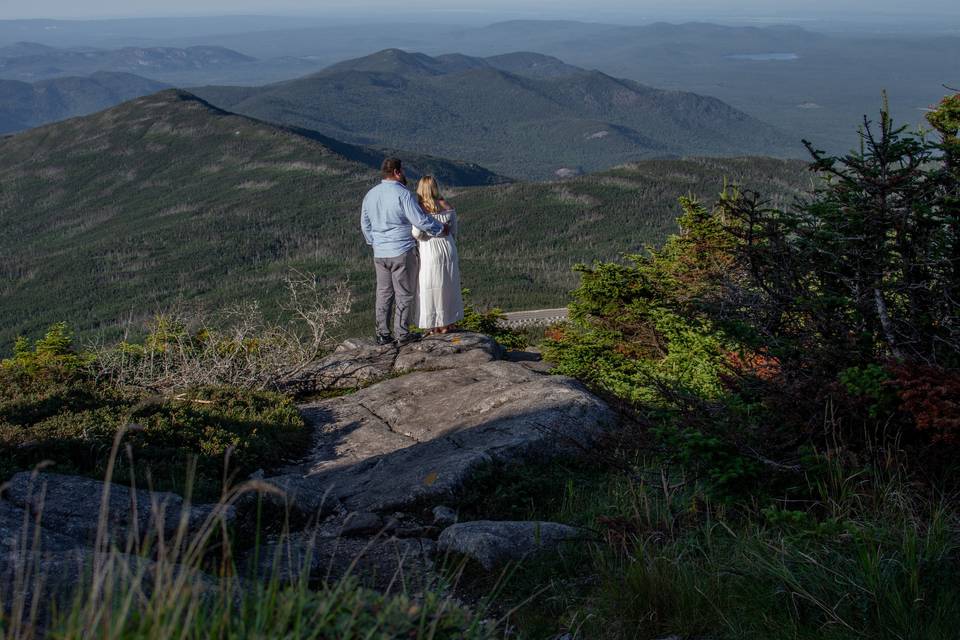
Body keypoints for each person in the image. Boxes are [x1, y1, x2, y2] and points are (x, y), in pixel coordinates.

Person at [361, 157, 448, 346]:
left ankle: (382, 334)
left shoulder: (370, 194)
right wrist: (440, 228)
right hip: (401, 250)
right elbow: (419, 221)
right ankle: (402, 333)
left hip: (380, 253)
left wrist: (374, 242)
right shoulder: (403, 195)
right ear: (397, 172)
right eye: (403, 171)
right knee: (404, 293)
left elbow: (365, 224)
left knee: (383, 293)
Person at [413, 176, 464, 333]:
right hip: (448, 248)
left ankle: (434, 325)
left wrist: (429, 234)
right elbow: (454, 231)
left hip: (430, 250)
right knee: (449, 284)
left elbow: (417, 233)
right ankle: (449, 323)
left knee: (430, 286)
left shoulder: (420, 209)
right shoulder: (447, 205)